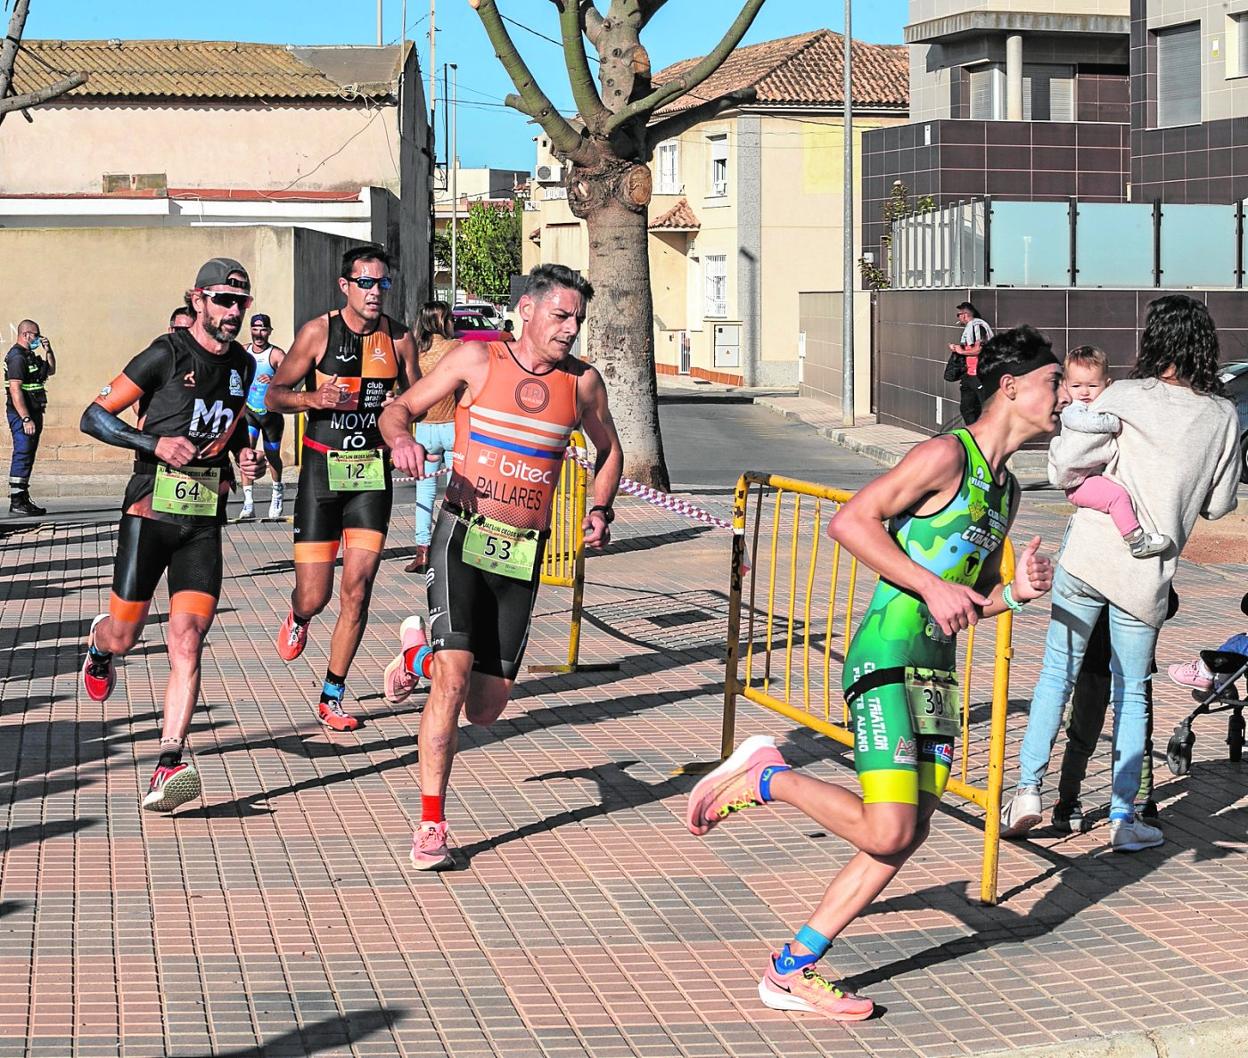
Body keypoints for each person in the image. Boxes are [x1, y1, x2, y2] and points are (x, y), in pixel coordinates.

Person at [687, 324, 1063, 1019]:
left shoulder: (1004, 490)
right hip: (885, 657)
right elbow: (852, 522)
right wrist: (928, 584)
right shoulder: (947, 456)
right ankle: (768, 775)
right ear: (1011, 386)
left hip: (936, 676)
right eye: (1053, 382)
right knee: (888, 831)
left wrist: (1016, 595)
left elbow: (964, 602)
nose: (1061, 397)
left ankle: (790, 970)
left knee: (902, 835)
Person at [378, 263, 623, 870]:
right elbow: (397, 409)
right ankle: (432, 824)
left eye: (578, 320)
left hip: (523, 552)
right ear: (529, 312)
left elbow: (610, 450)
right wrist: (403, 440)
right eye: (562, 316)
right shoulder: (475, 361)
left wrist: (600, 508)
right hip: (462, 535)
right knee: (453, 685)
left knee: (485, 709)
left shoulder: (583, 384)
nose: (570, 329)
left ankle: (418, 651)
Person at [1002, 294, 1241, 851]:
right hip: (1146, 573)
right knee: (1132, 693)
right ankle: (1122, 818)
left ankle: (1028, 791)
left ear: (1153, 341)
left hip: (1087, 556)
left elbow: (1063, 464)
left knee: (1055, 676)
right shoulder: (1222, 416)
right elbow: (1219, 504)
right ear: (1205, 344)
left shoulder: (1124, 395)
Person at [79, 257, 263, 812]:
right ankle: (99, 644)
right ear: (198, 300)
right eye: (223, 301)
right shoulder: (166, 353)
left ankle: (170, 761)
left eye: (242, 303)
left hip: (203, 519)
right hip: (149, 513)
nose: (233, 313)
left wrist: (243, 458)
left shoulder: (244, 368)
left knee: (188, 639)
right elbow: (93, 416)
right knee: (126, 636)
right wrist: (154, 445)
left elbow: (227, 433)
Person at [265, 245, 418, 731]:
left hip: (371, 476)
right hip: (321, 475)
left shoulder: (399, 339)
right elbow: (271, 395)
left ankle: (332, 693)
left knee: (358, 589)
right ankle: (299, 615)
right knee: (317, 595)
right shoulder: (318, 332)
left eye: (383, 284)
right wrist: (313, 396)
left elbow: (418, 398)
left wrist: (403, 414)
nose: (375, 293)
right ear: (345, 285)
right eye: (366, 283)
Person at [1052, 346, 1170, 559]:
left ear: (1107, 385)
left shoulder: (1101, 405)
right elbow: (1083, 423)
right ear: (1065, 386)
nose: (1084, 392)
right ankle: (1136, 540)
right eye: (1076, 385)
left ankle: (1067, 550)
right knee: (1117, 496)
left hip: (1088, 478)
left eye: (1092, 385)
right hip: (1078, 482)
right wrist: (1113, 422)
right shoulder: (1073, 410)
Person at [405, 301, 460, 574]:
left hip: (425, 427)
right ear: (443, 321)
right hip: (454, 426)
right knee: (455, 494)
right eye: (450, 318)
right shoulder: (457, 349)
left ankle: (422, 551)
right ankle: (452, 549)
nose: (454, 322)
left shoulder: (416, 352)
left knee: (424, 492)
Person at [239, 313, 288, 520]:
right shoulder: (243, 351)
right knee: (246, 455)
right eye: (256, 329)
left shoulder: (276, 354)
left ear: (269, 331)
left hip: (271, 416)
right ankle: (248, 502)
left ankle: (277, 492)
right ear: (251, 329)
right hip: (249, 412)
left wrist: (274, 377)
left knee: (272, 456)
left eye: (263, 329)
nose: (259, 334)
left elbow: (291, 377)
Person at [5, 319, 55, 516]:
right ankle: (17, 500)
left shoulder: (30, 355)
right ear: (26, 335)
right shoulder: (17, 357)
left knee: (28, 454)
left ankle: (22, 497)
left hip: (34, 410)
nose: (38, 338)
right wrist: (26, 418)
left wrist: (49, 351)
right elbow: (15, 389)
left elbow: (50, 370)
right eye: (36, 335)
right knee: (23, 453)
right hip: (22, 414)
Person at [946, 301, 993, 426]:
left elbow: (979, 349)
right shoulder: (970, 327)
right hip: (969, 374)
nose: (958, 318)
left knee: (984, 407)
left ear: (964, 315)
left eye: (958, 315)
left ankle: (984, 436)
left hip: (978, 374)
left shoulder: (976, 325)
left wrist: (960, 350)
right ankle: (973, 434)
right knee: (967, 408)